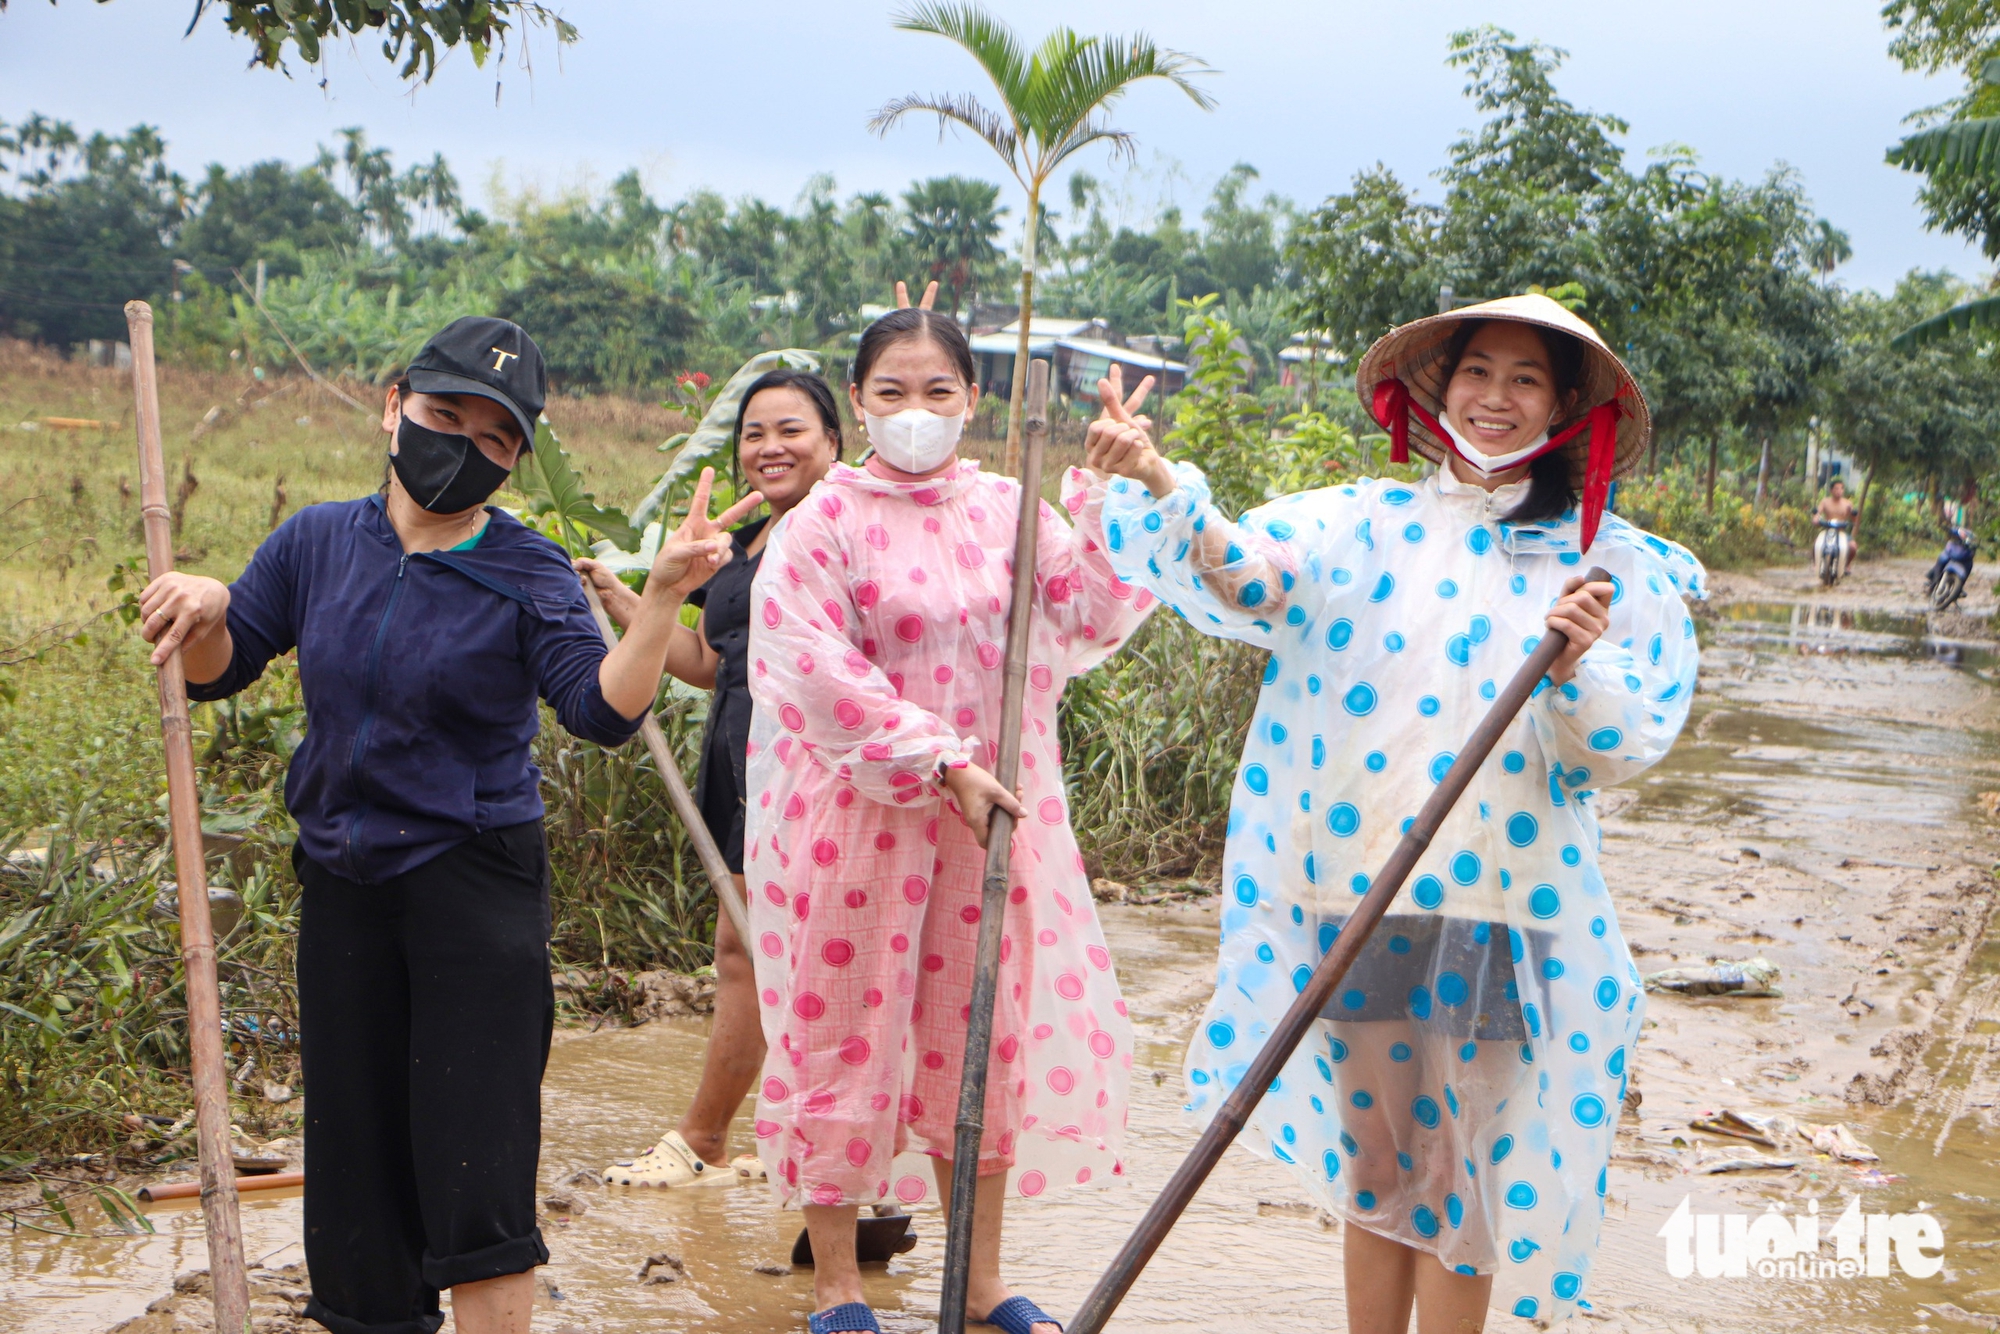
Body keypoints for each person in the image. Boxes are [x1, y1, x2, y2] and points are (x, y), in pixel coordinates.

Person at [1084, 294, 1705, 1332]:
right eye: (1477, 372)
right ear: (1438, 386)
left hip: (1498, 903)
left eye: (1523, 380)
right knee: (1379, 1164)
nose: (1494, 397)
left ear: (1560, 408)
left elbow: (1615, 746)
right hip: (1357, 889)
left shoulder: (1600, 564)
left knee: (1462, 1166)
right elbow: (1249, 582)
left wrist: (1575, 665)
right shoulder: (1357, 522)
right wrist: (1160, 480)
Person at [135, 316, 758, 1334]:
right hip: (342, 883)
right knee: (354, 1167)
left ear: (516, 457)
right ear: (392, 407)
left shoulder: (527, 569)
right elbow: (223, 667)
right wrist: (205, 607)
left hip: (473, 889)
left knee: (476, 1164)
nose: (462, 447)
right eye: (441, 416)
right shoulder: (315, 543)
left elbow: (600, 710)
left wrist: (657, 603)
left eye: (495, 438)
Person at [743, 307, 1154, 1334]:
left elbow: (1089, 609)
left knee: (977, 1033)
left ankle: (975, 1280)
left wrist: (1113, 489)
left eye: (937, 392)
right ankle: (837, 1284)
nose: (915, 413)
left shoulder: (1009, 510)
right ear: (857, 405)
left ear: (972, 400)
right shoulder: (820, 524)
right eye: (890, 393)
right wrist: (937, 759)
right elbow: (812, 667)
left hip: (991, 822)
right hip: (856, 819)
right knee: (841, 1028)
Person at [578, 366, 845, 1188]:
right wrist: (638, 597)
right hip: (739, 762)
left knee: (763, 948)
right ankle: (763, 1137)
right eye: (754, 433)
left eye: (791, 429)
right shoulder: (754, 539)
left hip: (810, 767)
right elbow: (712, 663)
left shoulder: (842, 525)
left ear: (835, 441)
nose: (769, 447)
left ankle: (715, 1138)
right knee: (747, 946)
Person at [1816, 478, 1858, 573]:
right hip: (1827, 531)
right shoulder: (1825, 502)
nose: (1839, 491)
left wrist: (1853, 515)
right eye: (1836, 488)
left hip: (1841, 532)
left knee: (1853, 547)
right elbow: (1818, 513)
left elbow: (1854, 519)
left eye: (1841, 489)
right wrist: (1816, 519)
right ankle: (1816, 564)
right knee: (1816, 544)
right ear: (1831, 490)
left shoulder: (1847, 503)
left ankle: (1846, 565)